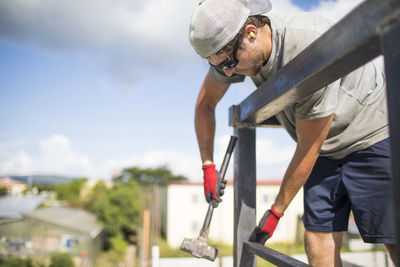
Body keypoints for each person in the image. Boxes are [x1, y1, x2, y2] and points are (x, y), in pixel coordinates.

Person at [188, 0, 398, 266]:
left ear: (251, 32)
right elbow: (205, 105)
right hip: (324, 148)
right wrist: (207, 165)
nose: (228, 72)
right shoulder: (232, 52)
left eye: (229, 62)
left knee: (392, 236)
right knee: (317, 239)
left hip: (372, 134)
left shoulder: (306, 48)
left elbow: (307, 146)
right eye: (219, 66)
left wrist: (276, 212)